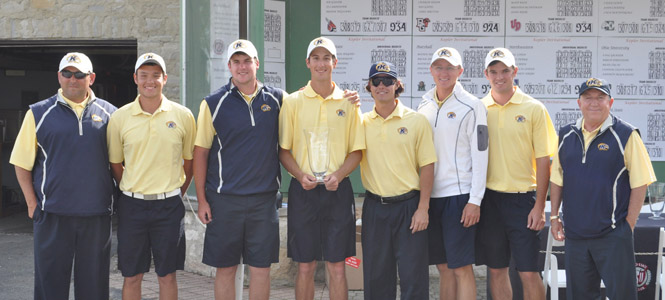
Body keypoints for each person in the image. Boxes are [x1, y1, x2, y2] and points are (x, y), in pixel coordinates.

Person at [10, 52, 117, 300]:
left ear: (91, 78)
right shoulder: (38, 113)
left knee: (93, 289)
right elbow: (21, 163)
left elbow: (119, 163)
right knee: (50, 287)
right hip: (52, 216)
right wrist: (31, 204)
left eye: (79, 74)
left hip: (96, 215)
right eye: (67, 73)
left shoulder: (112, 114)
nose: (73, 79)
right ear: (59, 76)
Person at [549, 78, 656, 300]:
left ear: (611, 102)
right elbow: (557, 179)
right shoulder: (566, 135)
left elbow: (640, 182)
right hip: (576, 236)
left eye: (600, 98)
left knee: (622, 296)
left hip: (612, 236)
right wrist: (554, 217)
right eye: (588, 98)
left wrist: (628, 226)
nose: (594, 103)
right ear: (579, 103)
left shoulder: (626, 134)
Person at [193, 39, 283, 300]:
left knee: (261, 269)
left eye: (247, 61)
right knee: (226, 269)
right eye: (236, 62)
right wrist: (201, 200)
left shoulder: (277, 99)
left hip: (264, 200)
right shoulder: (212, 103)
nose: (242, 66)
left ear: (257, 63)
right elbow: (201, 153)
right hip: (224, 200)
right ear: (229, 67)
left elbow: (307, 105)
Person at [278, 36, 365, 300]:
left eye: (326, 58)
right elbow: (283, 150)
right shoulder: (292, 102)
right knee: (305, 265)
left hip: (338, 191)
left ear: (335, 62)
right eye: (315, 58)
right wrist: (298, 174)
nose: (321, 63)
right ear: (307, 62)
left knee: (337, 265)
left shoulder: (349, 103)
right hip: (303, 191)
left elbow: (357, 151)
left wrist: (338, 175)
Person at [107, 53, 196, 300]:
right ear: (135, 78)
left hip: (169, 206)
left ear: (165, 79)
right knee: (132, 275)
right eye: (144, 75)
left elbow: (190, 162)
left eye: (156, 75)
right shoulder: (120, 117)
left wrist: (177, 191)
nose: (150, 81)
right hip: (132, 206)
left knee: (167, 275)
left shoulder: (183, 116)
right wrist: (132, 186)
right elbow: (116, 163)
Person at [475, 47, 557, 300]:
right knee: (497, 269)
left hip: (524, 201)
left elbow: (545, 161)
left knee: (528, 272)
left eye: (505, 71)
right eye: (494, 72)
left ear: (515, 72)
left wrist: (539, 206)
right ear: (486, 74)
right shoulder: (478, 108)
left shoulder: (534, 108)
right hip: (489, 200)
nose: (500, 76)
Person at [360, 61, 436, 300]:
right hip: (374, 208)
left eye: (388, 81)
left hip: (409, 208)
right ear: (369, 86)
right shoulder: (360, 122)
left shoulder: (416, 121)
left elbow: (427, 166)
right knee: (376, 279)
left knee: (413, 279)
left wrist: (423, 208)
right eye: (376, 81)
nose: (382, 86)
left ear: (398, 85)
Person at [417, 47, 488, 300]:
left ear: (460, 71)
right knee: (443, 267)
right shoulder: (423, 104)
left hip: (459, 198)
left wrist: (475, 200)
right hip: (430, 198)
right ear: (431, 70)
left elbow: (481, 156)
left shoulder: (472, 105)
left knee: (461, 267)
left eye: (449, 67)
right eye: (439, 67)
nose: (443, 72)